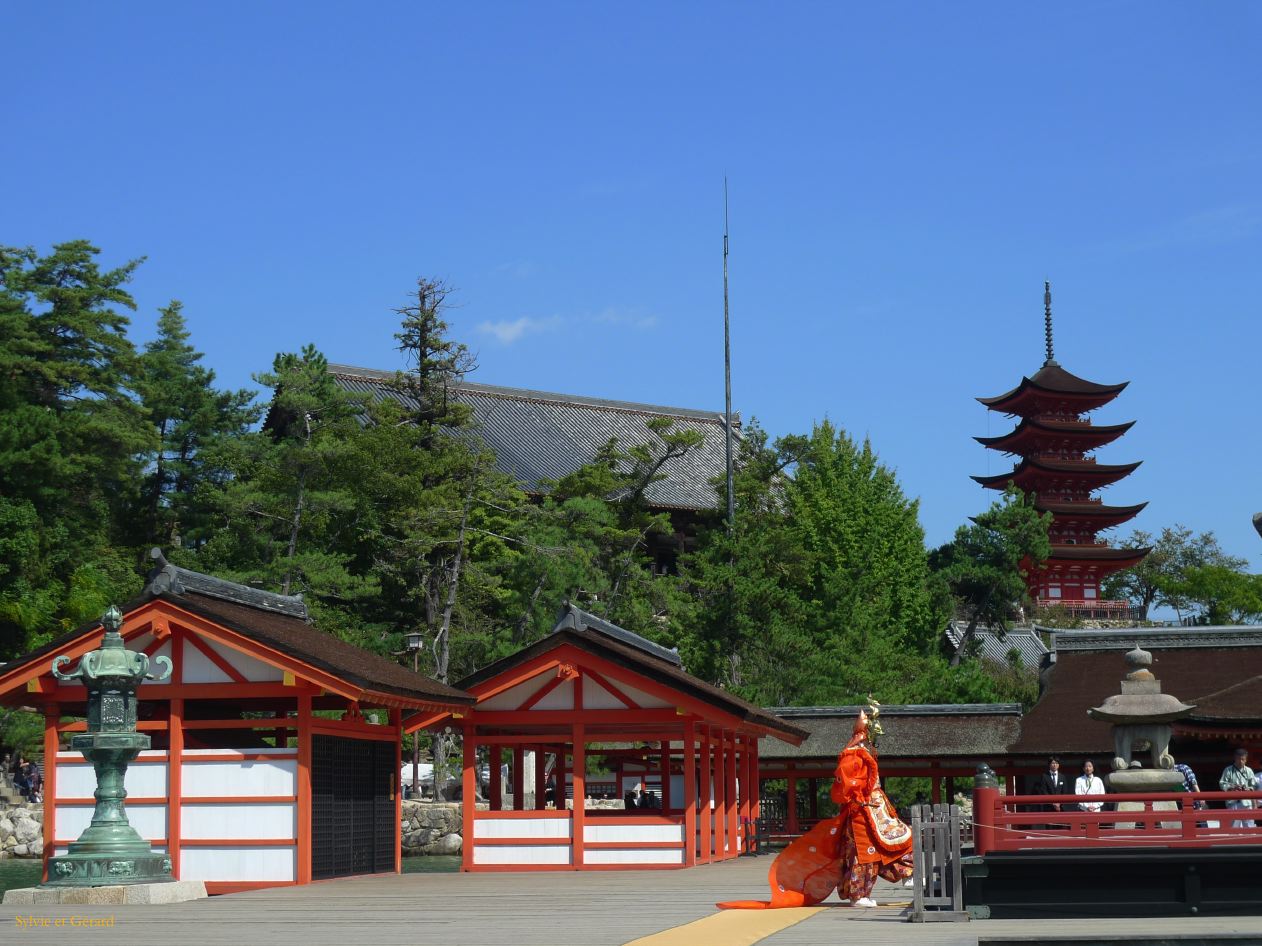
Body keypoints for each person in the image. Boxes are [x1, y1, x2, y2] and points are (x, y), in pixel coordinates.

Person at [717, 701, 913, 910]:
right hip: (860, 810)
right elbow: (846, 782)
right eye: (874, 730)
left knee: (889, 843)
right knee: (864, 853)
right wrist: (859, 791)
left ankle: (905, 873)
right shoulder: (854, 753)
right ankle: (859, 894)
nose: (876, 735)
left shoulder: (865, 751)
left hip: (873, 809)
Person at [1219, 748, 1256, 828]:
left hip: (1246, 802)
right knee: (1234, 828)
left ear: (1246, 760)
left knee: (1249, 827)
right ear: (1235, 758)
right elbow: (1222, 784)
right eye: (1239, 759)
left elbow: (1253, 786)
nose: (1241, 761)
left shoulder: (1249, 771)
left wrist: (1248, 789)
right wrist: (1232, 787)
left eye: (1243, 759)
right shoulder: (1228, 770)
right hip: (1233, 802)